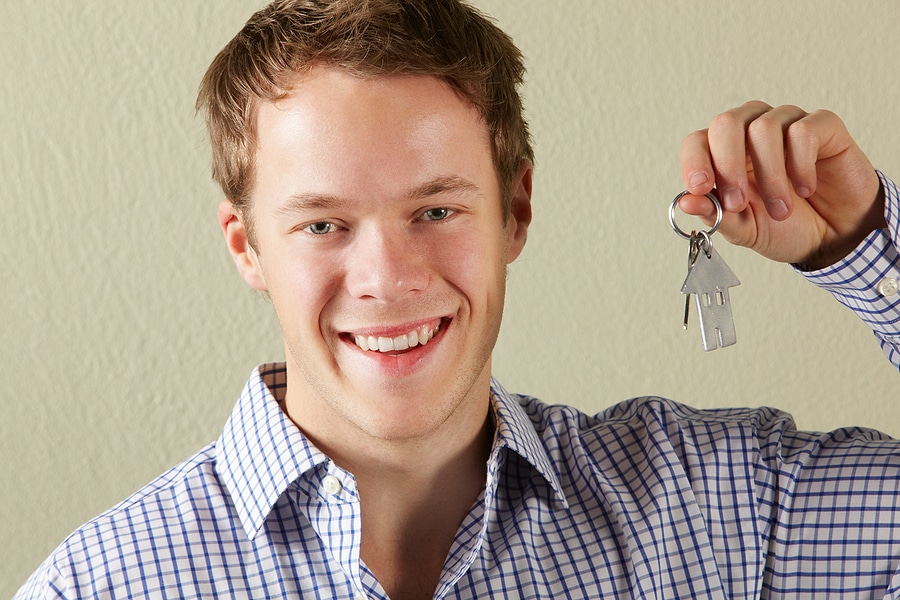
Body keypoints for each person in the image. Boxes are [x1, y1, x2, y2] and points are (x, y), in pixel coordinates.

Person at [15, 0, 900, 598]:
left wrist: (865, 247)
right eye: (323, 224)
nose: (389, 278)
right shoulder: (99, 586)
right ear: (247, 247)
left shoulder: (721, 509)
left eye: (435, 209)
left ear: (515, 212)